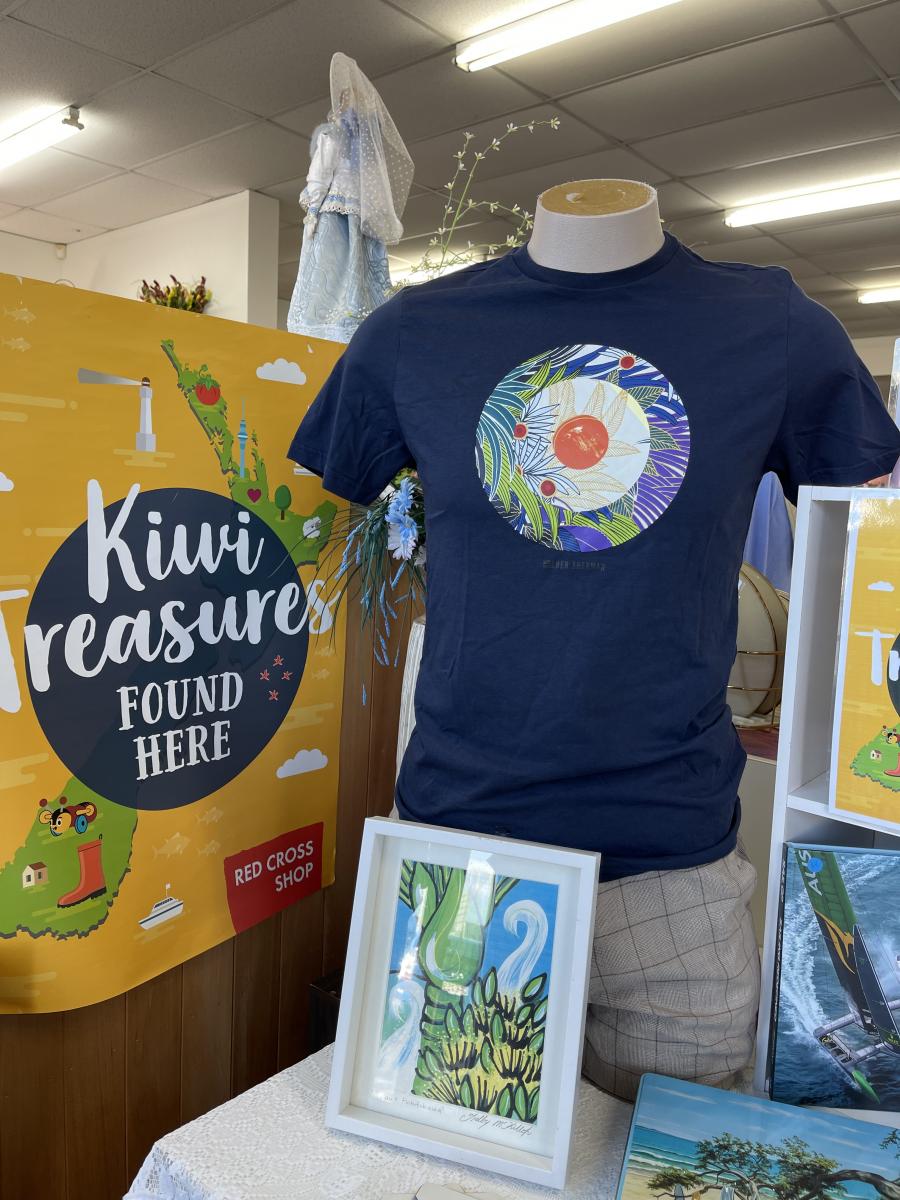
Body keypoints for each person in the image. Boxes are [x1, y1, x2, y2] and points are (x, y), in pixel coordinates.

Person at [287, 189, 900, 1099]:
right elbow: (337, 491)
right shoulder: (417, 331)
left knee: (677, 1158)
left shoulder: (769, 325)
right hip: (464, 851)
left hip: (671, 877)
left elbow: (861, 537)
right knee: (448, 1159)